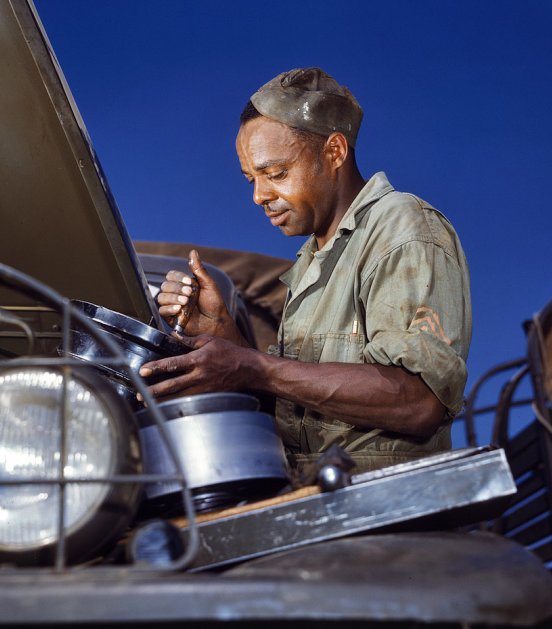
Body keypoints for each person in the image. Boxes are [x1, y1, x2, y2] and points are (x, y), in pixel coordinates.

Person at [139, 67, 472, 473]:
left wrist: (252, 366)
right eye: (251, 180)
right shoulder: (315, 261)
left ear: (335, 151)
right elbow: (295, 404)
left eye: (276, 173)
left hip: (390, 499)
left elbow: (418, 401)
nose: (259, 196)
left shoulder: (401, 225)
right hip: (316, 492)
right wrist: (224, 334)